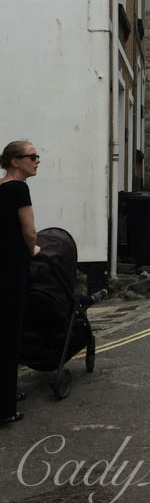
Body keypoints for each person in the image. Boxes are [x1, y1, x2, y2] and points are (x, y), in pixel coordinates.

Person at [0, 140, 40, 424]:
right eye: (32, 156)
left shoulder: (1, 187)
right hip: (12, 268)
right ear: (15, 161)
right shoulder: (18, 188)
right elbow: (29, 232)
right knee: (10, 334)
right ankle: (5, 409)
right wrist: (33, 250)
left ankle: (8, 393)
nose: (37, 160)